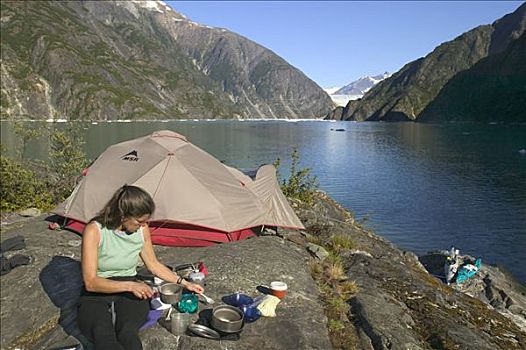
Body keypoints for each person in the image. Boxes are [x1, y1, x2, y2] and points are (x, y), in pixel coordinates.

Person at [78, 185, 204, 350]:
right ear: (123, 215)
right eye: (139, 221)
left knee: (128, 333)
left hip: (130, 286)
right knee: (103, 337)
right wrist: (130, 285)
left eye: (146, 221)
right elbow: (91, 282)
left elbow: (153, 265)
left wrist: (184, 283)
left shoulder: (142, 230)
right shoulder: (95, 230)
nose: (143, 225)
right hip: (98, 289)